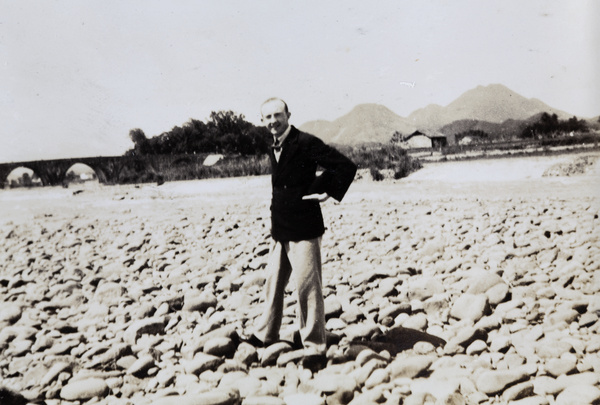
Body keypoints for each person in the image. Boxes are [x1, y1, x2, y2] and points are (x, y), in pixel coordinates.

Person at [245, 97, 357, 371]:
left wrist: (325, 190)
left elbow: (344, 166)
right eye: (267, 117)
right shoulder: (273, 145)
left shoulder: (305, 141)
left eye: (277, 115)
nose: (273, 121)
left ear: (288, 115)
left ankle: (315, 346)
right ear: (263, 121)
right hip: (281, 227)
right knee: (273, 283)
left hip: (304, 227)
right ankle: (266, 333)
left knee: (307, 288)